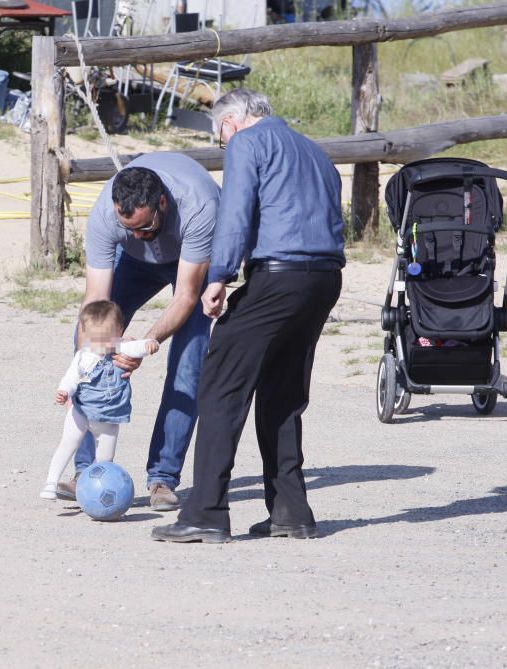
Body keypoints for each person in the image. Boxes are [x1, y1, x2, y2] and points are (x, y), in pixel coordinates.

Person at [151, 88, 345, 543]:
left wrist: (218, 276)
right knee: (282, 395)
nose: (223, 143)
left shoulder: (246, 143)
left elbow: (235, 213)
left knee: (220, 385)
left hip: (279, 275)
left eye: (220, 135)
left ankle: (205, 513)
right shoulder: (315, 150)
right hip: (324, 278)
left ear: (231, 121)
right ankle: (291, 512)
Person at [57, 153, 220, 512]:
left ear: (162, 203)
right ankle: (87, 469)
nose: (136, 235)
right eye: (128, 229)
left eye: (144, 228)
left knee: (188, 361)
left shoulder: (198, 205)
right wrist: (89, 359)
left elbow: (186, 296)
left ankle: (163, 476)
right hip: (134, 265)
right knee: (84, 343)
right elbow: (96, 299)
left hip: (189, 262)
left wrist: (144, 345)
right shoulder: (106, 215)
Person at [40, 300, 158, 500]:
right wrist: (64, 391)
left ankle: (96, 489)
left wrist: (150, 344)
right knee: (67, 443)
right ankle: (51, 483)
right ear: (85, 334)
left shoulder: (122, 347)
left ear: (119, 331)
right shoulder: (83, 356)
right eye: (94, 339)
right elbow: (71, 378)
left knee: (105, 459)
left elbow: (140, 347)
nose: (101, 345)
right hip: (81, 412)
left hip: (108, 418)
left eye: (106, 338)